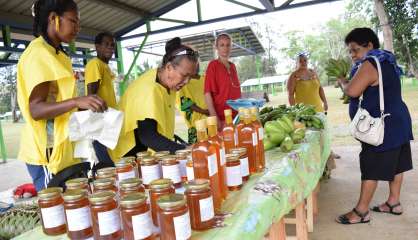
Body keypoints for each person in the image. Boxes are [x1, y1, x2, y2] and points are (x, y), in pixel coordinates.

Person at [17, 0, 107, 191]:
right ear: (53, 18)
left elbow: (60, 101)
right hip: (47, 152)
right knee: (57, 209)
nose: (78, 28)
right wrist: (77, 100)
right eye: (73, 21)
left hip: (63, 146)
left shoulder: (59, 55)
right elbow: (36, 109)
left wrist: (86, 105)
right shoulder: (39, 53)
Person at [336, 28, 413, 224]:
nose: (352, 55)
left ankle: (361, 212)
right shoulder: (386, 60)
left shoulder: (370, 63)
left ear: (369, 45)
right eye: (350, 51)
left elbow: (353, 91)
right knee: (397, 164)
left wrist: (343, 83)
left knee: (371, 165)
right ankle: (393, 203)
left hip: (383, 126)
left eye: (355, 50)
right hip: (398, 120)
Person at [113, 37, 198, 158]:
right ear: (169, 68)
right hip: (126, 156)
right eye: (184, 76)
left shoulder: (166, 83)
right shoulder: (149, 89)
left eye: (190, 77)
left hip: (146, 153)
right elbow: (148, 137)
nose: (187, 82)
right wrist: (186, 149)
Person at [287, 52, 337, 178]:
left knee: (323, 136)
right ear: (297, 62)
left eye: (305, 60)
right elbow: (290, 95)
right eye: (301, 61)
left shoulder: (313, 73)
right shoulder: (293, 76)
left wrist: (325, 101)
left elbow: (320, 88)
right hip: (304, 113)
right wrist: (294, 110)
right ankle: (312, 170)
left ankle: (327, 165)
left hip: (318, 110)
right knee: (309, 140)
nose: (303, 62)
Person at [84, 32, 117, 172]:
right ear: (97, 47)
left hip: (109, 120)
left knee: (111, 160)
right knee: (107, 164)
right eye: (106, 45)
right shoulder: (94, 64)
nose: (110, 48)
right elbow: (92, 96)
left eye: (112, 45)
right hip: (101, 122)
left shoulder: (105, 66)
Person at [204, 33, 241, 130]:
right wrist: (215, 118)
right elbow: (207, 93)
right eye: (222, 45)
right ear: (216, 47)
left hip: (236, 116)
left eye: (228, 45)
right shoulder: (213, 65)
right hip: (222, 118)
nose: (225, 48)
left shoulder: (233, 66)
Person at [176, 64, 209, 144]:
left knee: (213, 150)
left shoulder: (205, 79)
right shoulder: (183, 83)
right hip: (195, 126)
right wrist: (204, 111)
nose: (196, 65)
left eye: (197, 62)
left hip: (210, 123)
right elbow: (185, 103)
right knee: (198, 152)